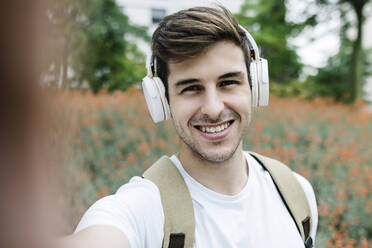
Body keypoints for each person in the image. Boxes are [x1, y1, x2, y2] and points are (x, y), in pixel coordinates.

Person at [59, 5, 318, 248]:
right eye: (191, 88)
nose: (214, 108)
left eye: (228, 82)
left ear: (255, 87)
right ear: (162, 101)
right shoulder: (140, 209)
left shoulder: (296, 195)